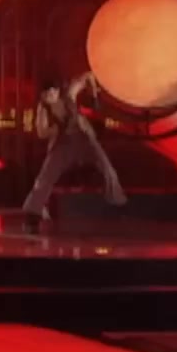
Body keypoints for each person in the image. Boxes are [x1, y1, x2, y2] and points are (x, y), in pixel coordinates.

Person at [22, 71, 126, 233]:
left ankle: (117, 203)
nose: (50, 97)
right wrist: (55, 129)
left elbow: (88, 76)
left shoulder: (69, 94)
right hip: (63, 144)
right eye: (47, 95)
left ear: (58, 91)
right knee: (45, 178)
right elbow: (41, 132)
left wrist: (95, 95)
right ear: (42, 95)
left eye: (52, 93)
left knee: (107, 169)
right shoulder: (43, 108)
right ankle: (32, 215)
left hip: (84, 139)